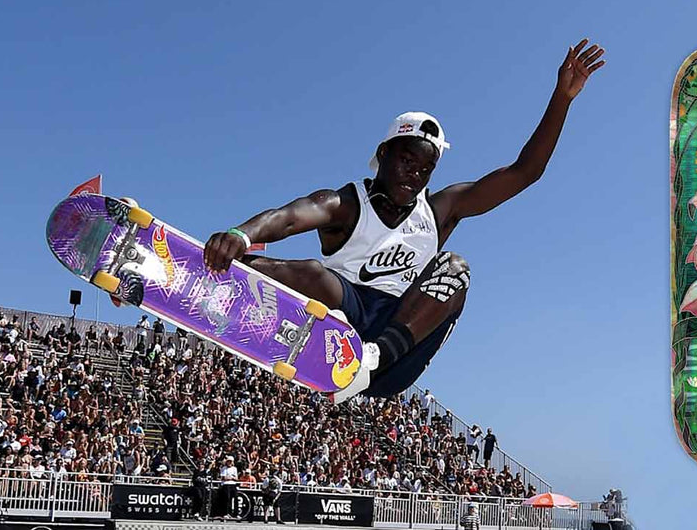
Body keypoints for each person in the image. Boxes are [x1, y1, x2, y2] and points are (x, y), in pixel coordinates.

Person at [200, 40, 606, 403]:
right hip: (346, 311)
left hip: (399, 345)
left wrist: (562, 98)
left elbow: (525, 172)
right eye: (407, 161)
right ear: (384, 154)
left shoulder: (441, 209)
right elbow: (288, 219)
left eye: (425, 169)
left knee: (455, 267)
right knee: (306, 271)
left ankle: (369, 360)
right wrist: (241, 235)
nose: (415, 174)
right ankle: (208, 280)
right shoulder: (346, 203)